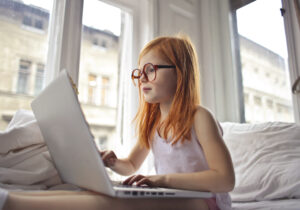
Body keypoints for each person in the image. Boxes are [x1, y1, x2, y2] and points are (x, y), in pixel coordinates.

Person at [1, 35, 235, 210]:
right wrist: (113, 162)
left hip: (207, 201)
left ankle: (10, 204)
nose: (142, 77)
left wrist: (160, 179)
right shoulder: (154, 124)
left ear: (180, 73)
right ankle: (9, 196)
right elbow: (131, 165)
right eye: (140, 71)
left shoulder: (199, 117)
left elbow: (224, 179)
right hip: (173, 193)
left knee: (110, 203)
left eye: (151, 69)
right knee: (97, 193)